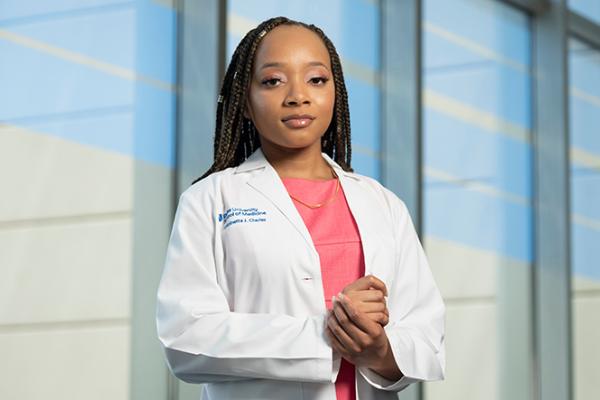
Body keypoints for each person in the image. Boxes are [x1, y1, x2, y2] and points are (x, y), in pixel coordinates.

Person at [156, 16, 445, 400]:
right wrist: (324, 333)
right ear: (244, 101)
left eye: (316, 80)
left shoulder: (382, 204)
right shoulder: (209, 201)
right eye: (273, 81)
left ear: (335, 92)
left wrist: (379, 350)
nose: (297, 95)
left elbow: (425, 334)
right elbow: (185, 339)